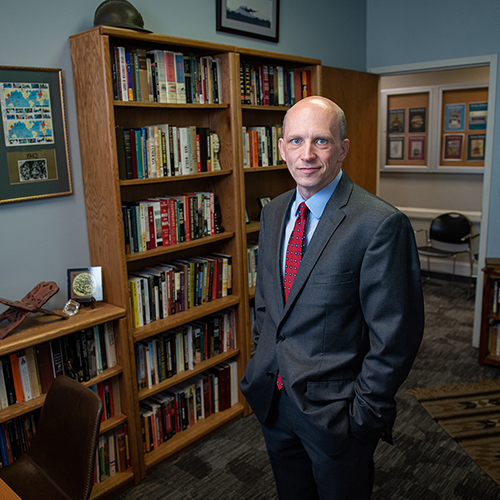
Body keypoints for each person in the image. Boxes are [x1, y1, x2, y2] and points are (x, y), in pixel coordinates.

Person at [240, 96, 424, 500]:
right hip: (274, 398)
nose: (306, 155)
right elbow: (269, 305)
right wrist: (262, 360)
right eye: (295, 141)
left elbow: (396, 337)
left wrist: (361, 417)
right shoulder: (274, 213)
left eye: (321, 142)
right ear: (281, 147)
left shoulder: (379, 224)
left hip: (338, 415)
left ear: (342, 149)